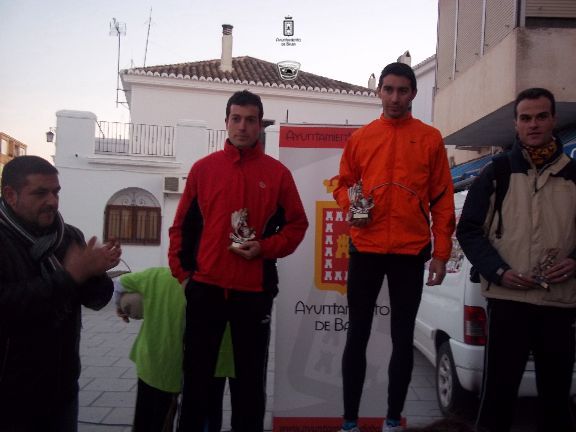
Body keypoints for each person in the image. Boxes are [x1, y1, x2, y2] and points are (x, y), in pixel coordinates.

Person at [169, 90, 309, 432]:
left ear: (259, 125)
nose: (242, 127)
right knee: (197, 383)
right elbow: (181, 227)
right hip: (206, 289)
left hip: (254, 293)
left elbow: (297, 225)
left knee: (250, 386)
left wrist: (264, 247)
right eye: (236, 119)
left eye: (250, 120)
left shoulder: (277, 174)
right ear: (226, 122)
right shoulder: (203, 170)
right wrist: (184, 276)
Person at [333, 62, 455, 432]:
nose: (395, 97)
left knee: (403, 339)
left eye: (402, 90)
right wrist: (351, 205)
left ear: (413, 93)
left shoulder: (430, 138)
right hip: (366, 246)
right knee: (357, 334)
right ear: (379, 92)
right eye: (388, 89)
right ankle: (349, 422)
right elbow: (343, 183)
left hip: (409, 250)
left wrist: (441, 253)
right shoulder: (362, 138)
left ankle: (391, 421)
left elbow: (442, 200)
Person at [456, 88, 576, 432]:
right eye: (526, 118)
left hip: (560, 304)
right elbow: (469, 230)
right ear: (516, 124)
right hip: (508, 303)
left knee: (556, 404)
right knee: (497, 400)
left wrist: (575, 261)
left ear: (553, 120)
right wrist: (498, 271)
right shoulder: (496, 173)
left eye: (541, 116)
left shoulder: (574, 175)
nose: (533, 124)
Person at [0, 155, 121, 432]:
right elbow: (7, 304)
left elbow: (96, 300)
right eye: (40, 193)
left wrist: (95, 274)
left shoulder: (68, 236)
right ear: (10, 195)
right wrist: (70, 277)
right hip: (9, 392)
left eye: (56, 192)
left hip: (61, 387)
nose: (52, 201)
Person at [114, 267, 234, 432]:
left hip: (156, 364)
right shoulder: (223, 282)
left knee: (150, 416)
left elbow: (119, 283)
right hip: (212, 363)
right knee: (206, 412)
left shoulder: (156, 275)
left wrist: (120, 305)